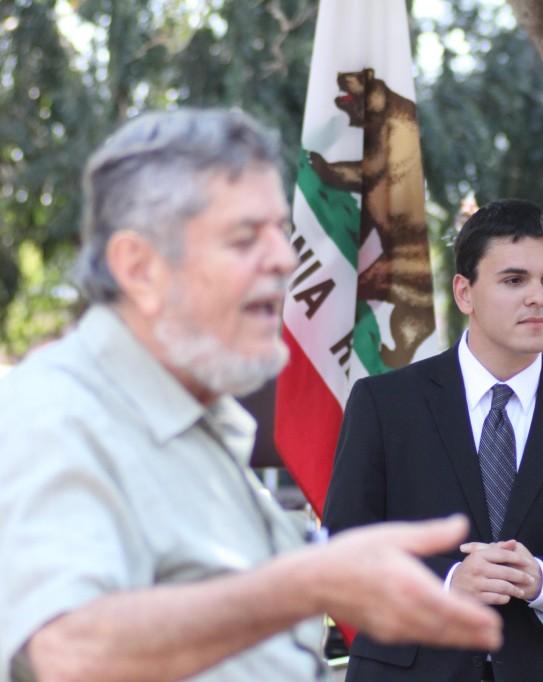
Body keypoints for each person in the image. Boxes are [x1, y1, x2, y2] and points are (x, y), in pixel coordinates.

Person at [0, 108, 501, 682]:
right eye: (244, 238)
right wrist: (309, 582)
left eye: (279, 233)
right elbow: (69, 652)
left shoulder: (197, 421)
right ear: (138, 267)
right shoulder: (60, 414)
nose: (285, 260)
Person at [323, 198, 543, 681]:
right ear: (464, 292)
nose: (538, 297)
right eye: (514, 280)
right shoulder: (384, 404)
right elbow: (342, 549)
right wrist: (449, 580)